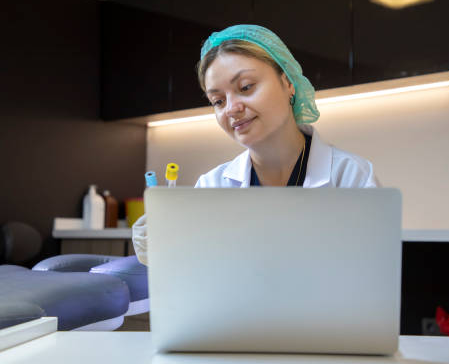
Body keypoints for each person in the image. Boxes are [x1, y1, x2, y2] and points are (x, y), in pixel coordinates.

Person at [132, 24, 379, 265]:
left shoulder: (351, 177)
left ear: (287, 82)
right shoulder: (212, 187)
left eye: (246, 87)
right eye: (217, 101)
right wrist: (167, 253)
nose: (231, 109)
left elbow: (373, 275)